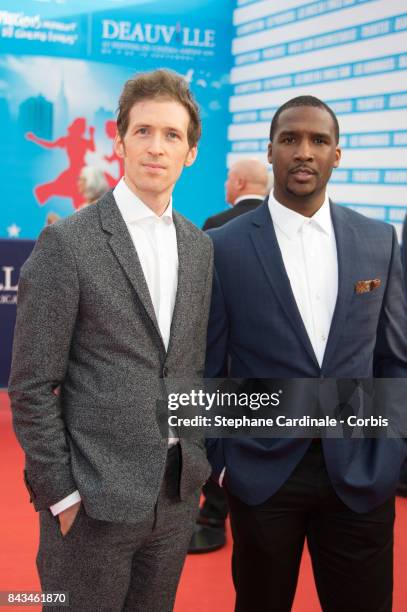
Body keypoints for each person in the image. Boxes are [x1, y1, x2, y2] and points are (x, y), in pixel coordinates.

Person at [9, 69, 213, 612]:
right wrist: (61, 494)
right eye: (143, 131)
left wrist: (198, 465)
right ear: (118, 140)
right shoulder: (66, 243)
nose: (156, 146)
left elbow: (190, 366)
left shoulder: (200, 249)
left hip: (173, 503)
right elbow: (30, 385)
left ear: (190, 152)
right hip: (91, 504)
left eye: (172, 135)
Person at [205, 95, 407, 612]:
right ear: (270, 151)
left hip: (361, 474)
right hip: (263, 476)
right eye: (290, 139)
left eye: (318, 140)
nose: (304, 151)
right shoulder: (221, 247)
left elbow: (395, 359)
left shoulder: (378, 240)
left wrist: (390, 450)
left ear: (336, 155)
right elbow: (204, 366)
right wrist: (221, 464)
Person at [189, 158, 268, 554]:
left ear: (237, 182)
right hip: (275, 367)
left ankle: (213, 515)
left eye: (226, 177)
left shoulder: (215, 225)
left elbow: (201, 300)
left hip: (224, 360)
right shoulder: (281, 226)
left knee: (217, 436)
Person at [202, 159, 269, 230]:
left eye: (228, 178)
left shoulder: (216, 223)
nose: (225, 184)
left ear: (240, 183)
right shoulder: (277, 220)